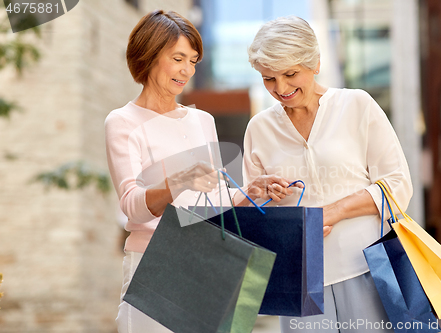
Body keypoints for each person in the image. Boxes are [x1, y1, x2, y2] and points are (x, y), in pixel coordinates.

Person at [105, 10, 296, 333]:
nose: (187, 70)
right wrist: (179, 181)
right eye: (178, 58)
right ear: (149, 54)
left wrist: (249, 192)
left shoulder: (202, 120)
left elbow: (212, 201)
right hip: (155, 264)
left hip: (205, 262)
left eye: (193, 61)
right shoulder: (123, 121)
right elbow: (132, 204)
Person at [245, 16, 413, 333]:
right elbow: (256, 221)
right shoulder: (259, 129)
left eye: (290, 74)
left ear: (316, 63)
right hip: (297, 281)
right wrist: (259, 194)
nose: (280, 88)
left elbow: (398, 186)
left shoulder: (356, 105)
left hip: (367, 268)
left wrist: (332, 212)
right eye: (269, 79)